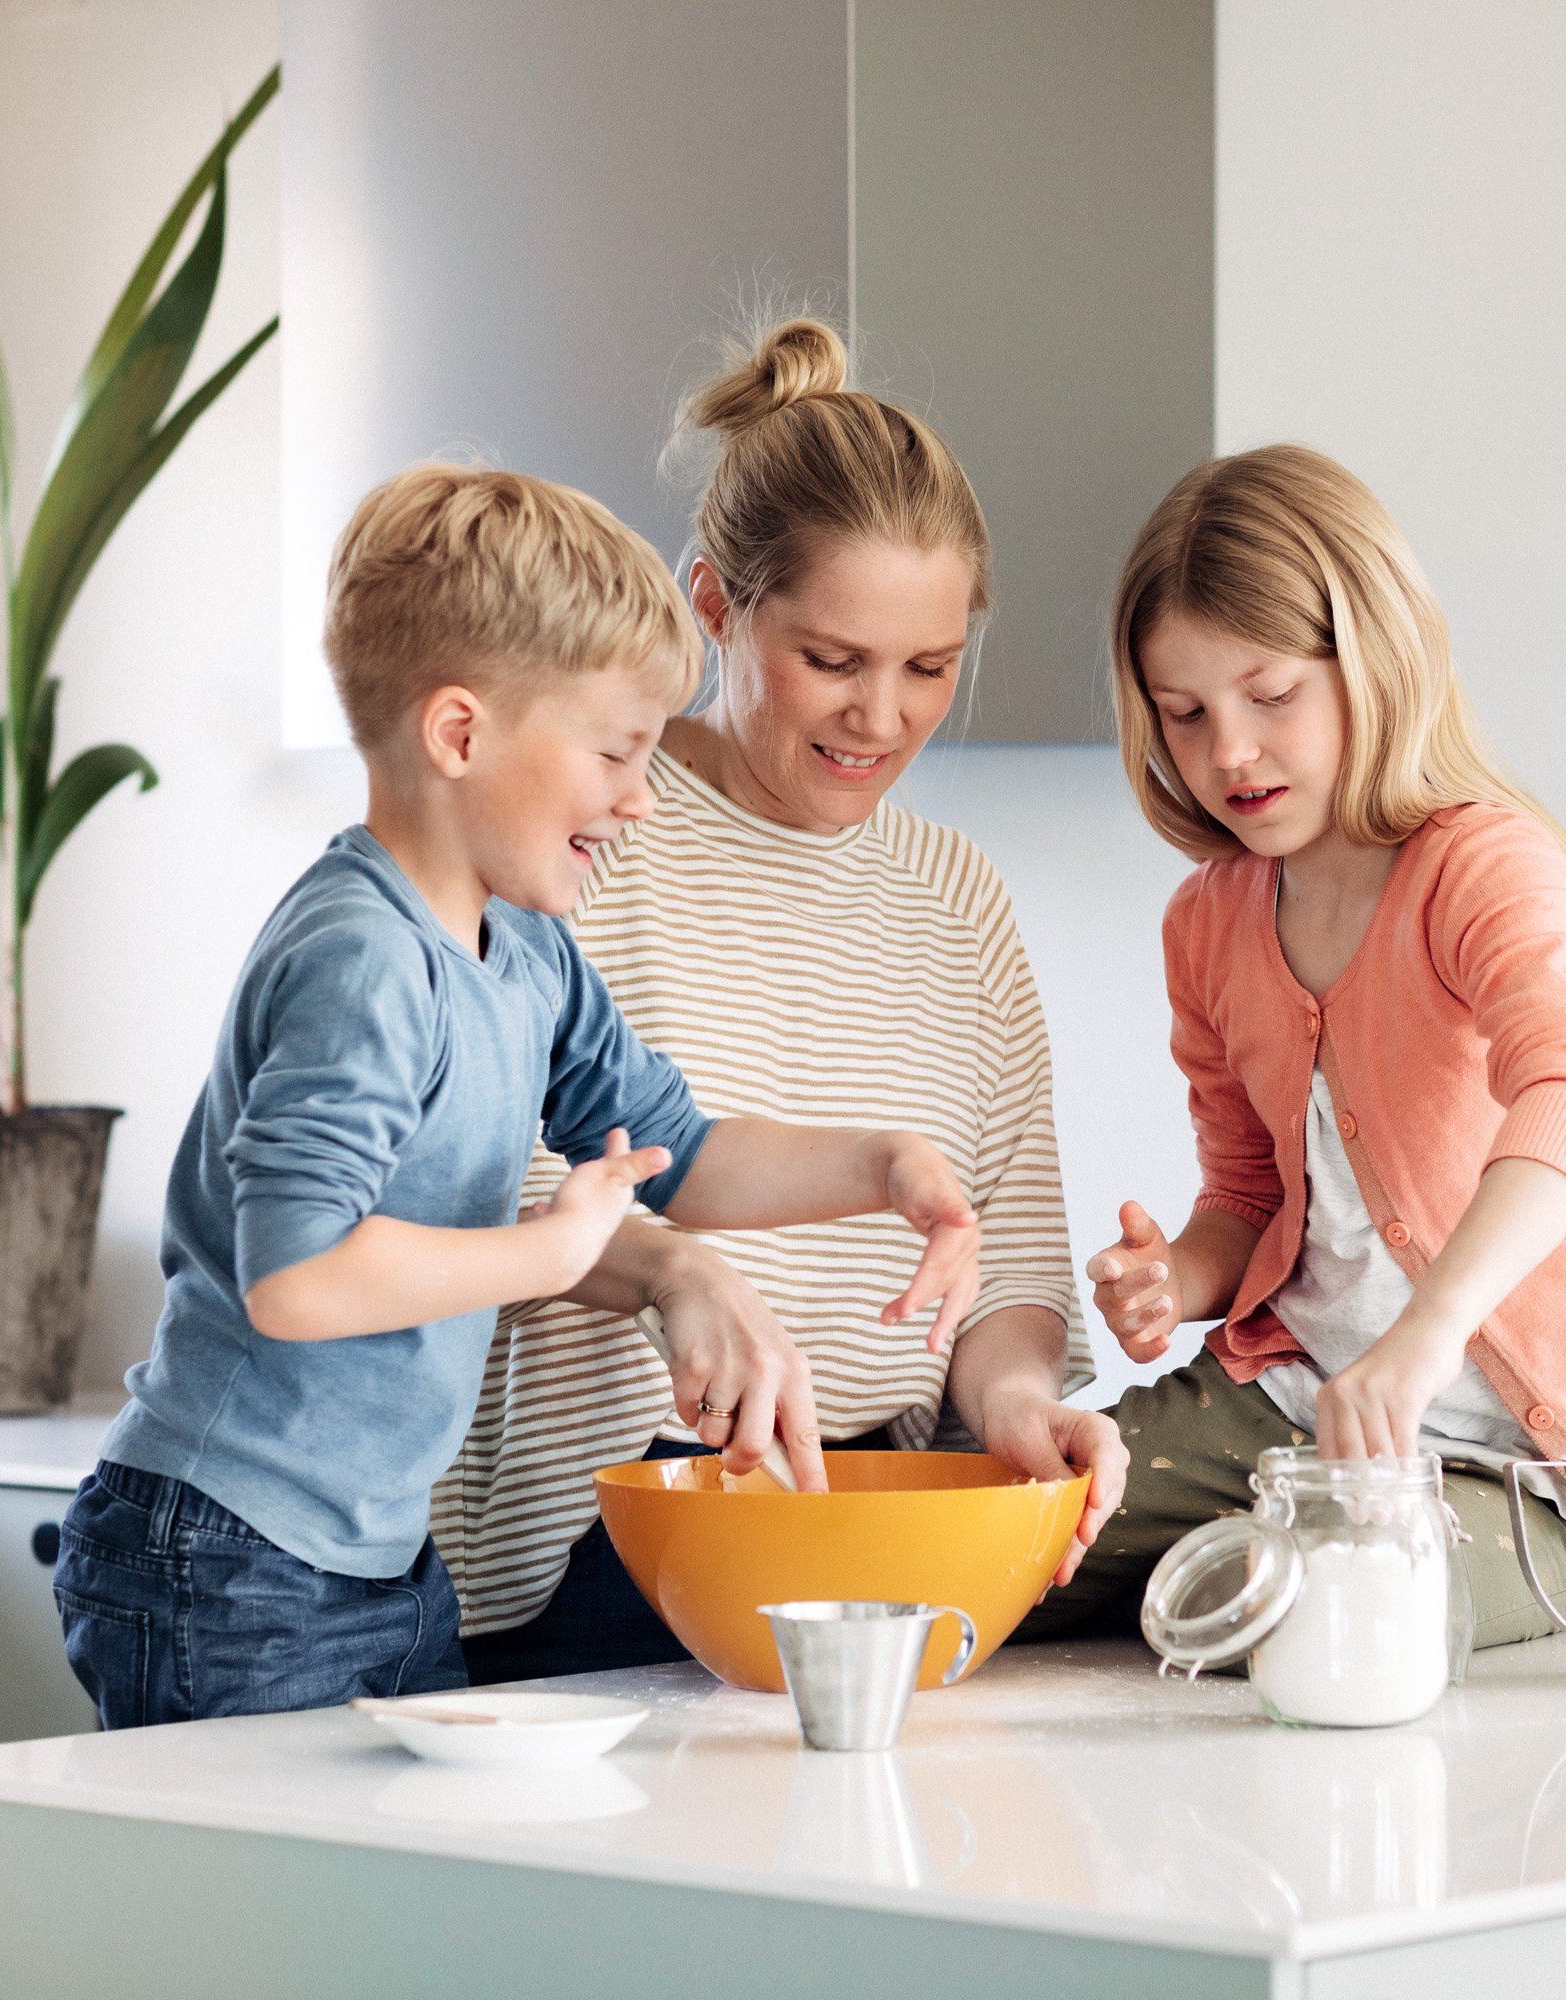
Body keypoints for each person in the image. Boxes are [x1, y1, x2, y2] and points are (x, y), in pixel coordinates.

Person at [51, 464, 987, 1726]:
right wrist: (552, 1248)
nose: (640, 795)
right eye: (614, 751)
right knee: (261, 1920)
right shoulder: (365, 960)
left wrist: (882, 1166)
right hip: (225, 1549)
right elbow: (298, 1275)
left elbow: (682, 1154)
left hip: (372, 1559)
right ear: (459, 734)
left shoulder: (526, 948)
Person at [440, 320, 1124, 1683]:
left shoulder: (959, 900)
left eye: (929, 668)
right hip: (607, 1544)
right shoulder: (576, 841)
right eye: (833, 660)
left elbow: (1005, 1285)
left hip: (878, 1540)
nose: (882, 716)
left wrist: (1023, 1409)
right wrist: (674, 1275)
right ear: (713, 604)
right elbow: (468, 1204)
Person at [1017, 444, 1566, 1647]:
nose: (1228, 749)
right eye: (1185, 714)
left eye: (1270, 695)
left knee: (1326, 1621)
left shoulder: (1482, 865)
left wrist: (1424, 1337)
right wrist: (1176, 1278)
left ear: (1372, 659)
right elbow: (1246, 1203)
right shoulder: (1209, 922)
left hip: (1525, 1470)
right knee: (1010, 1535)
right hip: (1283, 1413)